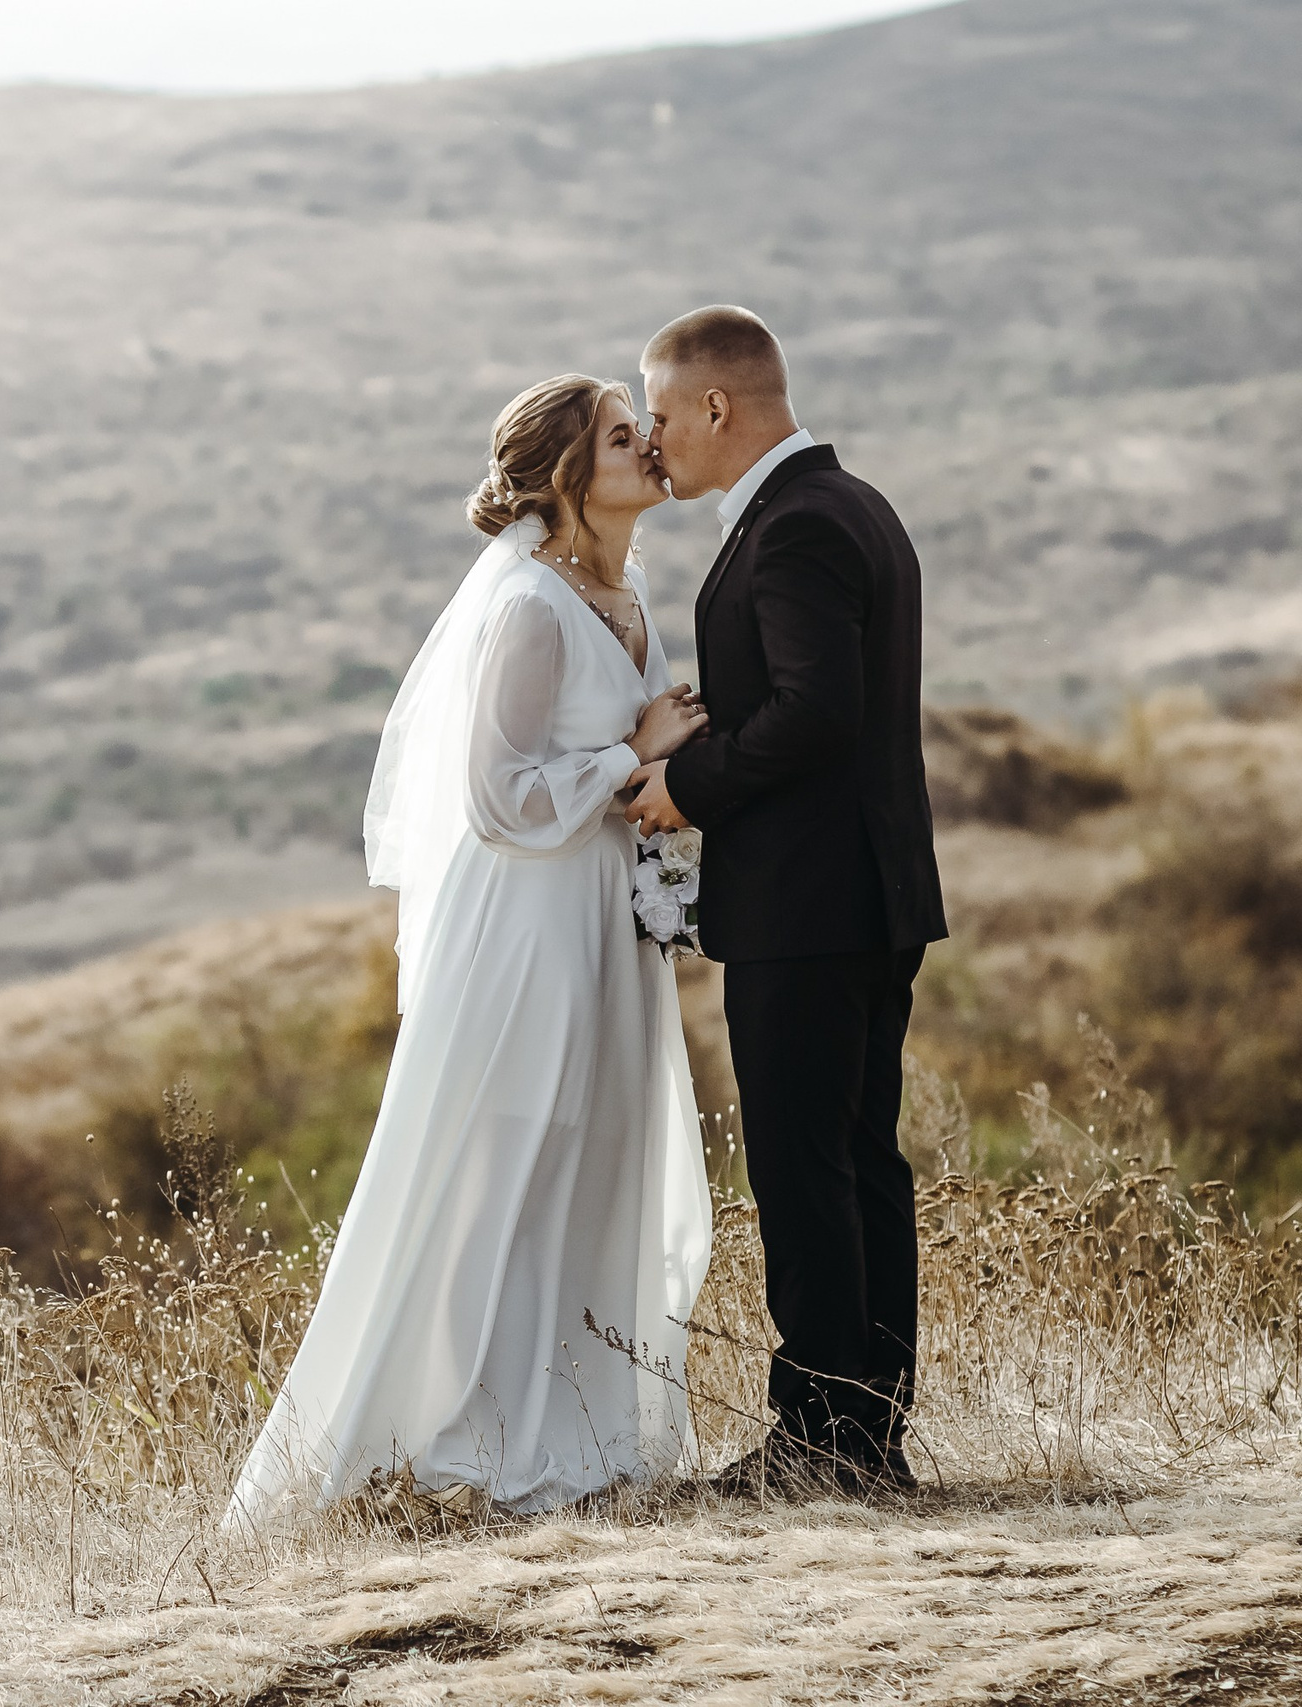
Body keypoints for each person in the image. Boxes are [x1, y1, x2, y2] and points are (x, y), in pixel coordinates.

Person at [225, 375, 714, 1526]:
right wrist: (627, 758)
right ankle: (459, 1440)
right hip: (529, 926)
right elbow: (494, 798)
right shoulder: (528, 609)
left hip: (602, 918)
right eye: (618, 434)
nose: (646, 443)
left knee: (593, 1158)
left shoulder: (629, 591)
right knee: (508, 1162)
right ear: (565, 475)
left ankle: (576, 1430)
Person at [626, 305, 949, 1495]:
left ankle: (822, 1443)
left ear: (717, 406)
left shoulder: (797, 523)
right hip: (867, 896)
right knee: (859, 1164)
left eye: (660, 416)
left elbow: (816, 711)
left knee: (808, 1171)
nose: (655, 442)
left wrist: (683, 786)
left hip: (808, 905)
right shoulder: (848, 502)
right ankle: (864, 1436)